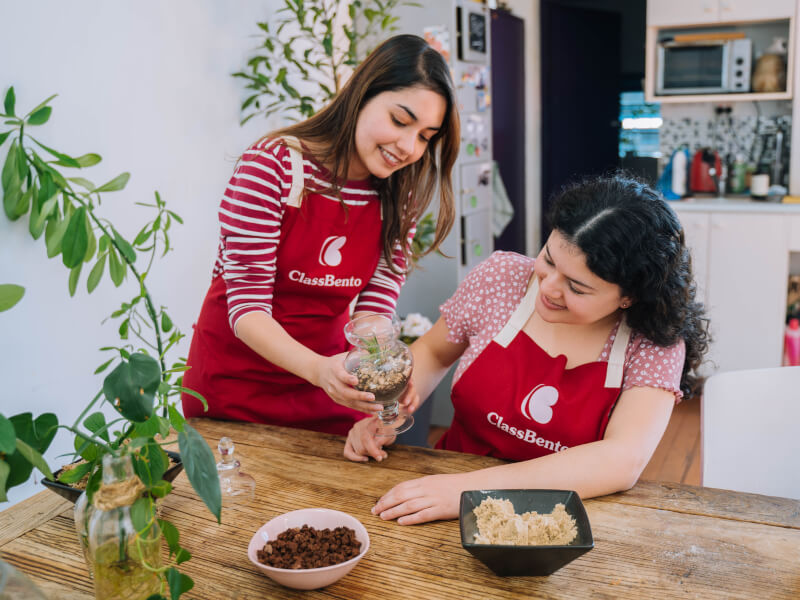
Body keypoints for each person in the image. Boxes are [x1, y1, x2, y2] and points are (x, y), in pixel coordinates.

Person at [344, 175, 710, 525]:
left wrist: (469, 491)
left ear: (629, 296)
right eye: (548, 260)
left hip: (557, 519)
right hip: (444, 487)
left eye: (576, 287)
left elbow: (621, 460)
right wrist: (390, 414)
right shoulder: (501, 278)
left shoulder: (653, 342)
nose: (548, 288)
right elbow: (436, 353)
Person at [182, 34, 460, 435]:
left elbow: (376, 302)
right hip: (234, 385)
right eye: (400, 121)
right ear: (362, 94)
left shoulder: (400, 195)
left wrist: (382, 368)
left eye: (425, 137)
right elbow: (247, 308)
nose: (408, 147)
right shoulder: (273, 167)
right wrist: (318, 369)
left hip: (328, 387)